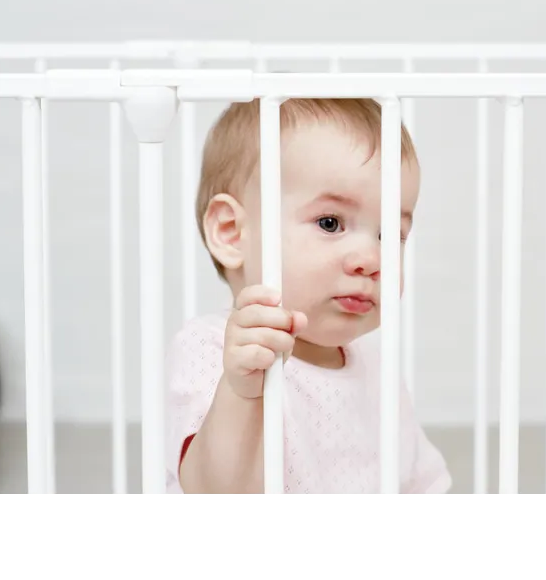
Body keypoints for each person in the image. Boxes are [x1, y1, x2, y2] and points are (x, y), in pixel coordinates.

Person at [164, 97, 451, 498]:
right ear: (232, 232)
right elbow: (217, 497)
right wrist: (241, 392)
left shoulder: (376, 369)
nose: (371, 260)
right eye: (330, 223)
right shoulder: (213, 350)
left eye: (389, 235)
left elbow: (421, 485)